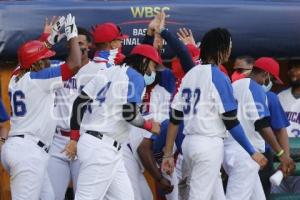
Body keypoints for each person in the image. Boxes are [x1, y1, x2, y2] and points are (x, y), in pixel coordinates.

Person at [162, 27, 267, 200]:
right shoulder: (218, 76)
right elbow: (231, 121)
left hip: (189, 143)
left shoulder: (191, 74)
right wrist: (251, 151)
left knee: (217, 195)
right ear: (222, 49)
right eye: (229, 47)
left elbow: (175, 117)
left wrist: (167, 153)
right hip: (208, 143)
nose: (230, 51)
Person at [63, 44, 162, 200]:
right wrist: (150, 126)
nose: (152, 71)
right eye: (153, 65)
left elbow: (79, 103)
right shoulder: (136, 76)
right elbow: (129, 114)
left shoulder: (107, 72)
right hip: (102, 148)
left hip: (105, 146)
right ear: (143, 60)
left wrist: (74, 138)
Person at [1, 14, 81, 200]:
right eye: (44, 58)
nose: (48, 60)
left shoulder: (16, 75)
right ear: (36, 64)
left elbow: (27, 58)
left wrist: (48, 40)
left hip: (23, 147)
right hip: (28, 152)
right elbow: (75, 64)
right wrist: (72, 34)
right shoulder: (38, 80)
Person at [223, 57, 294, 200]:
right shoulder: (254, 88)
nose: (268, 83)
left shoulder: (234, 85)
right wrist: (281, 154)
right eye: (271, 79)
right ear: (266, 74)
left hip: (230, 150)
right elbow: (261, 125)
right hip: (246, 155)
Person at [41, 26, 94, 200]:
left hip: (85, 140)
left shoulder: (99, 70)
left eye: (81, 43)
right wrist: (46, 38)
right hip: (58, 142)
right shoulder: (57, 68)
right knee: (52, 196)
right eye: (74, 43)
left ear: (90, 46)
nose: (77, 47)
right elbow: (31, 63)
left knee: (86, 196)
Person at [273, 59, 300, 193]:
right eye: (290, 68)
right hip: (280, 158)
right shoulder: (280, 97)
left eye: (297, 67)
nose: (292, 71)